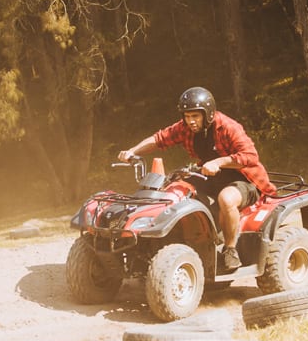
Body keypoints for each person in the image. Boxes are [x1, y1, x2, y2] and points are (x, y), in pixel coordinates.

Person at [117, 86, 276, 271]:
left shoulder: (228, 127)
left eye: (195, 116)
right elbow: (160, 139)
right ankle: (174, 239)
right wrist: (132, 151)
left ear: (207, 114)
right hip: (210, 176)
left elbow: (250, 156)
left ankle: (230, 250)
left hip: (244, 179)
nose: (190, 121)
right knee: (175, 189)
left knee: (226, 199)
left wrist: (219, 162)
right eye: (187, 116)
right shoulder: (185, 128)